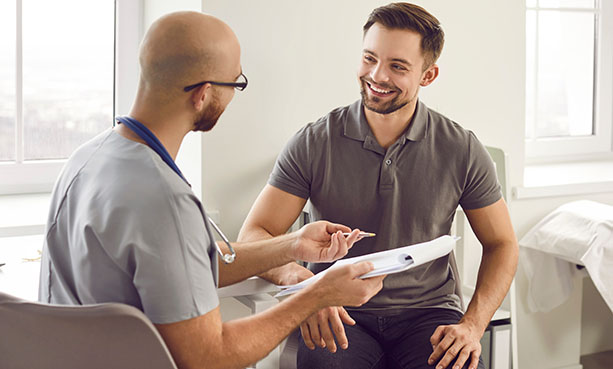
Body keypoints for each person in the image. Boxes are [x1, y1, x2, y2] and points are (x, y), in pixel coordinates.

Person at [38, 11, 385, 369]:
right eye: (236, 84)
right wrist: (316, 294)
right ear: (203, 95)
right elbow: (209, 357)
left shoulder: (88, 158)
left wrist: (291, 246)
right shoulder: (164, 200)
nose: (235, 94)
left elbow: (182, 265)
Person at [238, 3, 519, 369]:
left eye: (397, 66)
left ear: (428, 75)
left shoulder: (461, 148)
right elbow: (254, 235)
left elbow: (502, 244)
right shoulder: (313, 142)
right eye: (369, 58)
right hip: (336, 308)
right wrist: (305, 284)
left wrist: (472, 324)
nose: (377, 75)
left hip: (429, 314)